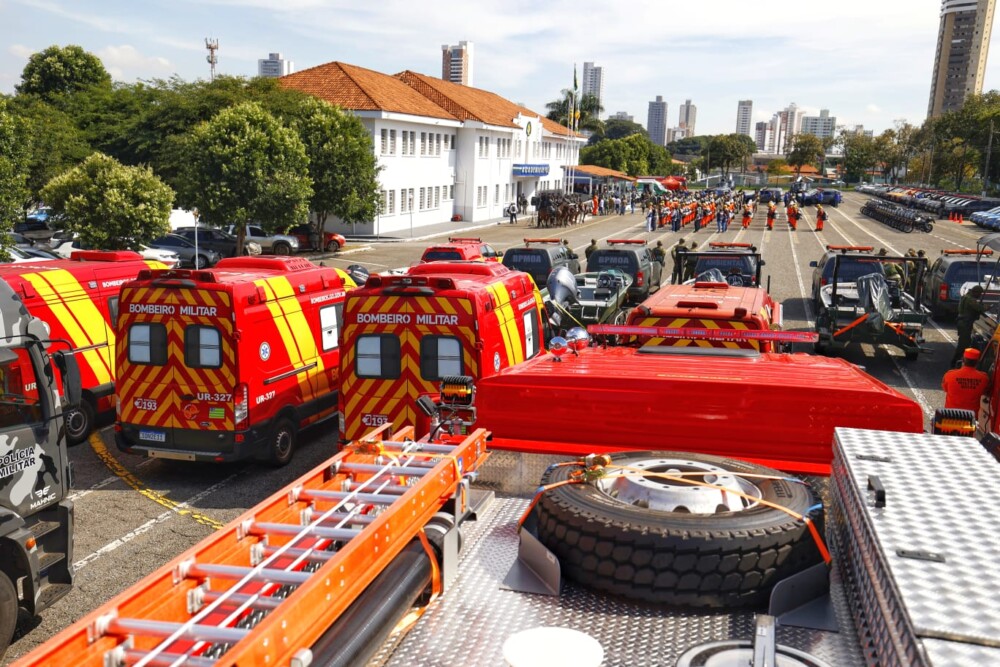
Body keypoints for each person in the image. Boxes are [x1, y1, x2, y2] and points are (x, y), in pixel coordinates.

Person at [942, 348, 990, 412]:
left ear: (963, 360)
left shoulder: (949, 375)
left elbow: (945, 389)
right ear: (977, 362)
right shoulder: (984, 378)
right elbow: (986, 392)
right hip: (972, 415)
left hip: (951, 414)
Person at [953, 284, 986, 366]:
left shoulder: (966, 297)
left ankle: (960, 360)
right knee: (963, 344)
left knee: (966, 342)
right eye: (979, 294)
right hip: (965, 323)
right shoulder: (970, 300)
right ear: (975, 292)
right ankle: (955, 361)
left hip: (963, 322)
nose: (979, 296)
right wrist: (987, 307)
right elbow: (980, 308)